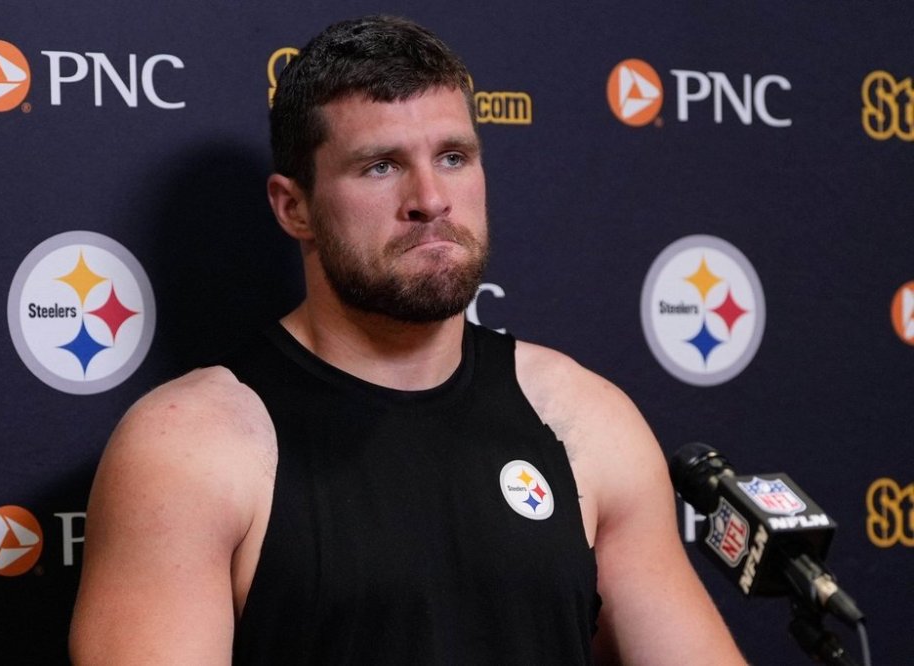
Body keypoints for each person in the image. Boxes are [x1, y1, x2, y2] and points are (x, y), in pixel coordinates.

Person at [70, 15, 746, 664]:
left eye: (453, 157)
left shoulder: (586, 422)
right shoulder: (190, 449)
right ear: (293, 206)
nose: (430, 198)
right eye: (380, 166)